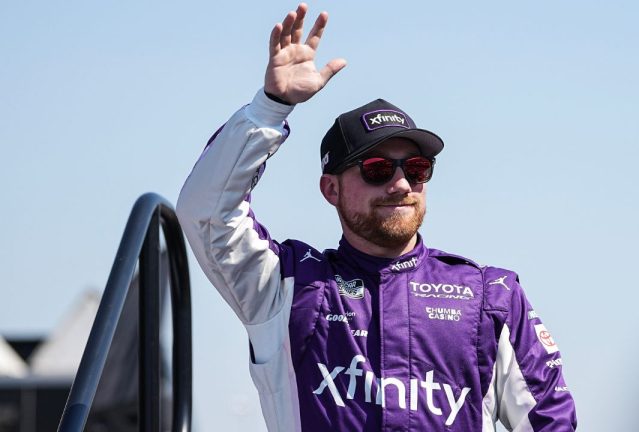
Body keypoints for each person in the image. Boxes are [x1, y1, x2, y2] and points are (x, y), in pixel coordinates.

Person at [177, 4, 577, 431]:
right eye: (377, 170)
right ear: (331, 189)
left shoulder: (490, 296)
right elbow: (207, 213)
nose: (401, 184)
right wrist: (270, 108)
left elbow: (550, 421)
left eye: (417, 169)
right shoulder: (287, 287)